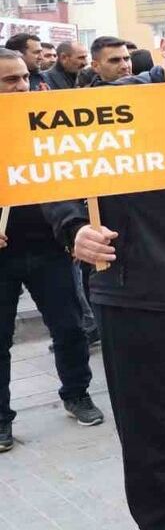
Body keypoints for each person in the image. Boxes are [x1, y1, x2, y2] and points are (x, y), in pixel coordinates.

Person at [43, 4, 165, 530]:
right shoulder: (118, 102)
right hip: (134, 295)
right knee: (150, 431)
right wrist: (72, 228)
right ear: (164, 45)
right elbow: (53, 172)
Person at [0, 49, 103, 456]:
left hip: (50, 249)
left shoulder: (45, 127)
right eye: (10, 81)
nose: (22, 86)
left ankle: (76, 393)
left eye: (25, 78)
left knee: (70, 327)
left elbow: (70, 178)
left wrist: (76, 227)